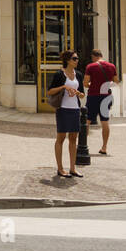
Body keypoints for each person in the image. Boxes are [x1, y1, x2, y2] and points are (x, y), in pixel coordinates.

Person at [47, 49, 85, 178]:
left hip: (75, 109)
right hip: (63, 109)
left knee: (74, 139)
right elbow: (50, 91)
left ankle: (73, 168)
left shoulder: (78, 74)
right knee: (61, 138)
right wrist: (63, 87)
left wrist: (79, 94)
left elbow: (82, 93)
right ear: (68, 60)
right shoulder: (59, 74)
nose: (77, 61)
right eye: (75, 58)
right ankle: (60, 169)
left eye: (77, 58)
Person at [85, 49, 118, 156]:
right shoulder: (111, 66)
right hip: (106, 96)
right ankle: (104, 147)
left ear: (93, 57)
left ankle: (82, 144)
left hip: (93, 96)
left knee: (87, 121)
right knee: (105, 121)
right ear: (101, 55)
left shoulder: (90, 66)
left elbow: (85, 83)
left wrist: (92, 85)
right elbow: (116, 81)